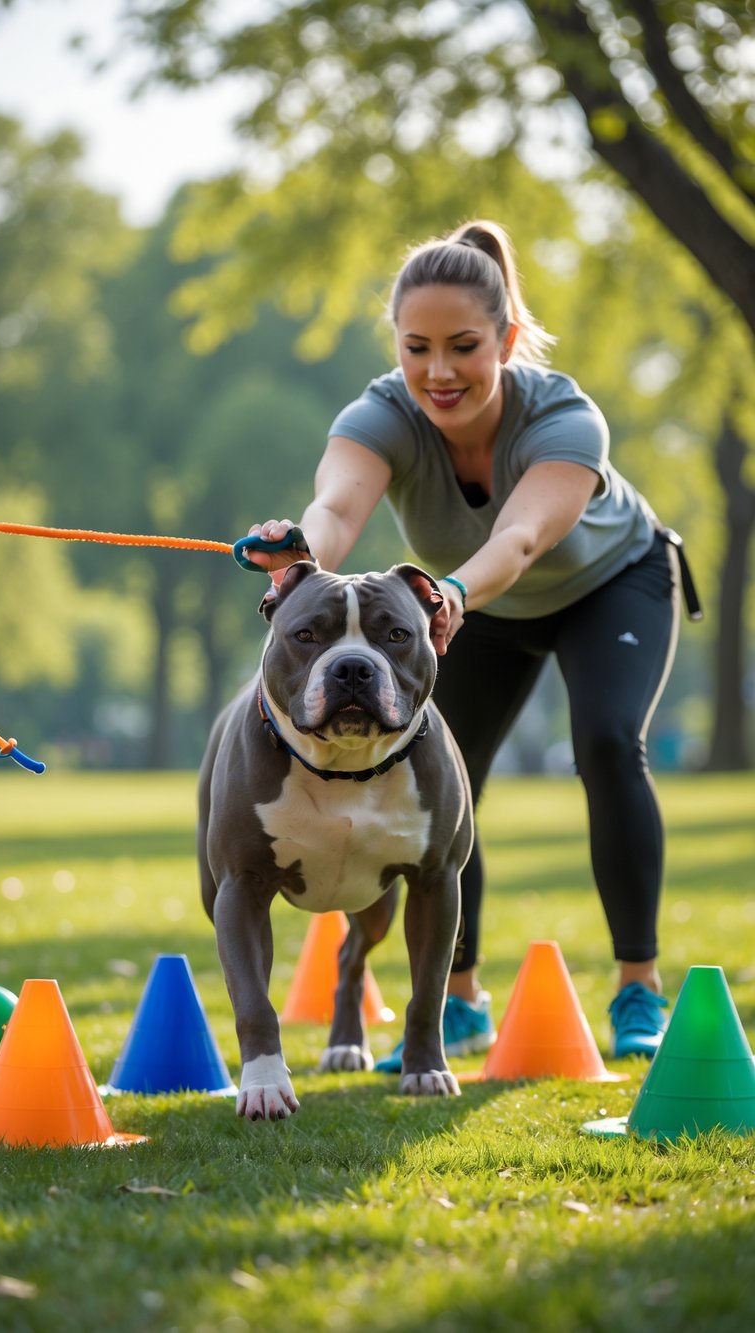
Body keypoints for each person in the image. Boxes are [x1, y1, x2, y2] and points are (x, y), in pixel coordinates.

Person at [244, 219, 700, 1069]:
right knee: (445, 780)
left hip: (606, 584)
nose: (439, 371)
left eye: (463, 346)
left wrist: (450, 594)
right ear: (397, 344)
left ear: (507, 339)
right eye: (417, 347)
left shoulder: (565, 415)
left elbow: (522, 540)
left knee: (606, 744)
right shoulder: (379, 414)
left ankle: (638, 987)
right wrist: (298, 561)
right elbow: (339, 508)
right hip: (469, 604)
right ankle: (457, 1002)